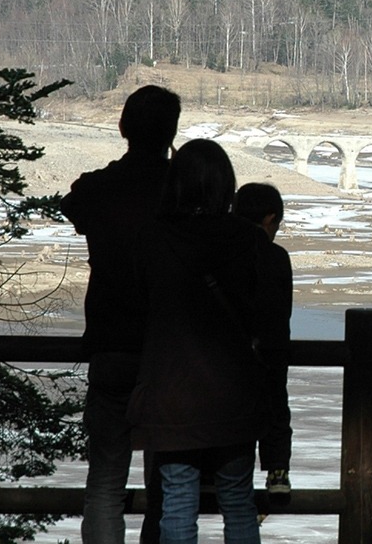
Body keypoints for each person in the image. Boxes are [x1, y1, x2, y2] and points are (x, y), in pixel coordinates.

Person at [127, 139, 266, 544]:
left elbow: (138, 304)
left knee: (176, 501)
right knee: (239, 500)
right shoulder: (247, 239)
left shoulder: (153, 238)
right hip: (233, 391)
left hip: (172, 392)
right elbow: (262, 311)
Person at [60, 85, 181, 544]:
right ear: (172, 131)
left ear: (122, 128)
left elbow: (72, 205)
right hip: (170, 351)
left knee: (105, 484)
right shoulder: (183, 191)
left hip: (111, 343)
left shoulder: (98, 189)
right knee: (168, 488)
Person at [234, 182, 294, 506]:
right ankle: (278, 472)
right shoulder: (276, 257)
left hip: (226, 362)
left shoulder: (222, 253)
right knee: (275, 411)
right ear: (270, 219)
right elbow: (282, 311)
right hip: (269, 355)